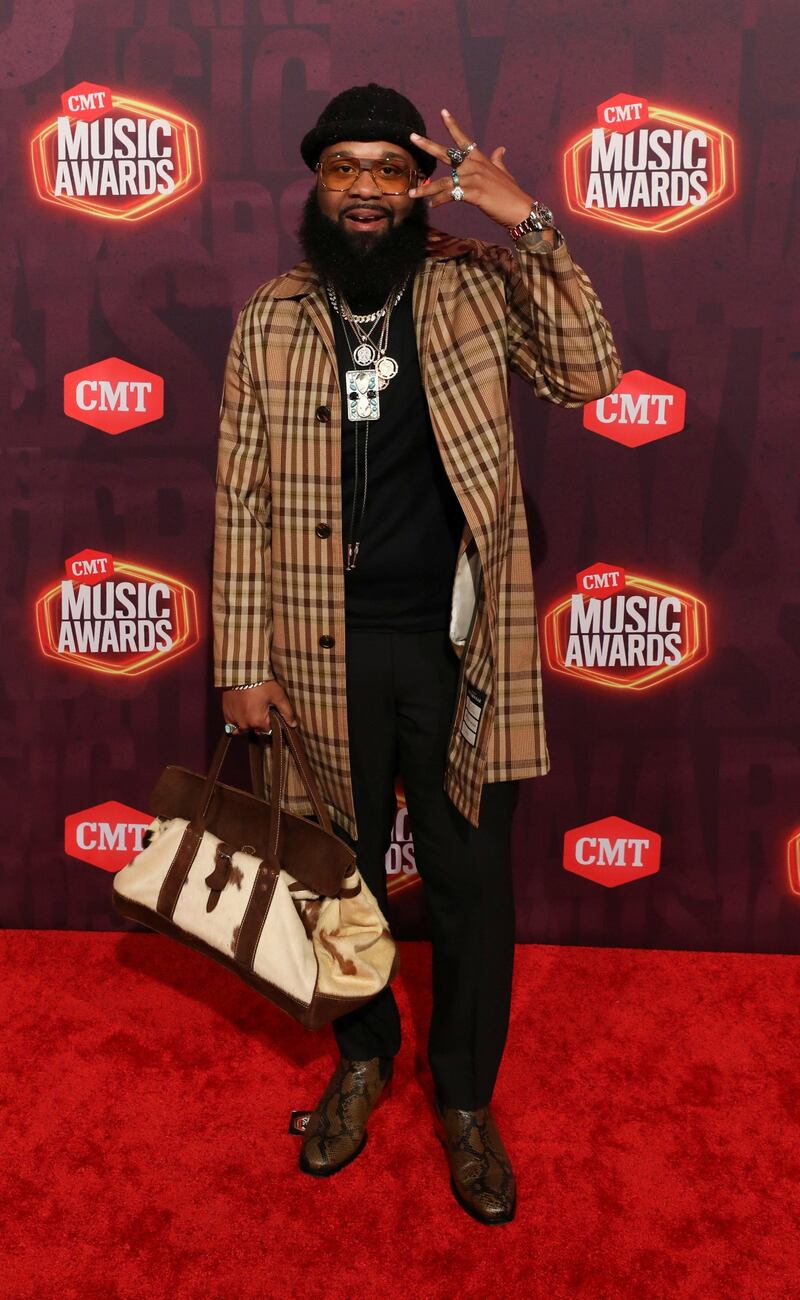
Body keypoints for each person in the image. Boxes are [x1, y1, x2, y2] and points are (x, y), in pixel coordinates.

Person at [212, 83, 622, 1225]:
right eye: (341, 166)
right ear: (314, 181)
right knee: (330, 874)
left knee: (468, 882)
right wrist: (239, 656)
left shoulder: (472, 286)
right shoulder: (272, 315)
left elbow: (591, 374)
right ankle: (360, 1057)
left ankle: (464, 1100)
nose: (361, 187)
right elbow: (239, 497)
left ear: (415, 183)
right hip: (310, 647)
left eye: (385, 168)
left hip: (451, 645)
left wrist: (523, 218)